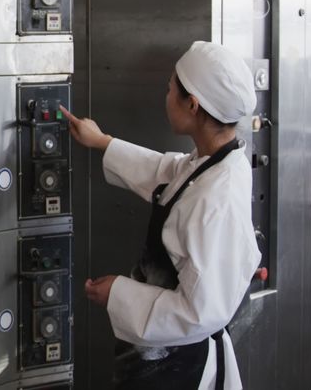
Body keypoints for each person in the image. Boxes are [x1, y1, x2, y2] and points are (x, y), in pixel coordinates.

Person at [60, 41, 261, 390]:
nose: (165, 96)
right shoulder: (216, 161)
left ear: (193, 105)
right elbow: (168, 173)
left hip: (180, 366)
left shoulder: (216, 198)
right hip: (164, 355)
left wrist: (119, 294)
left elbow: (199, 312)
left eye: (170, 89)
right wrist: (103, 141)